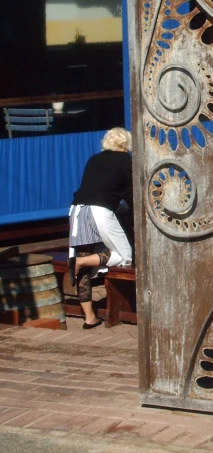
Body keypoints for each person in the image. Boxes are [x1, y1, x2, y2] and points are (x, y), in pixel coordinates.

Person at [68, 127, 133, 329]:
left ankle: (89, 318)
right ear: (126, 144)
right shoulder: (126, 161)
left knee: (83, 270)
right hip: (99, 210)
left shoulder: (94, 159)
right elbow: (131, 194)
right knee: (124, 256)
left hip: (78, 209)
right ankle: (81, 260)